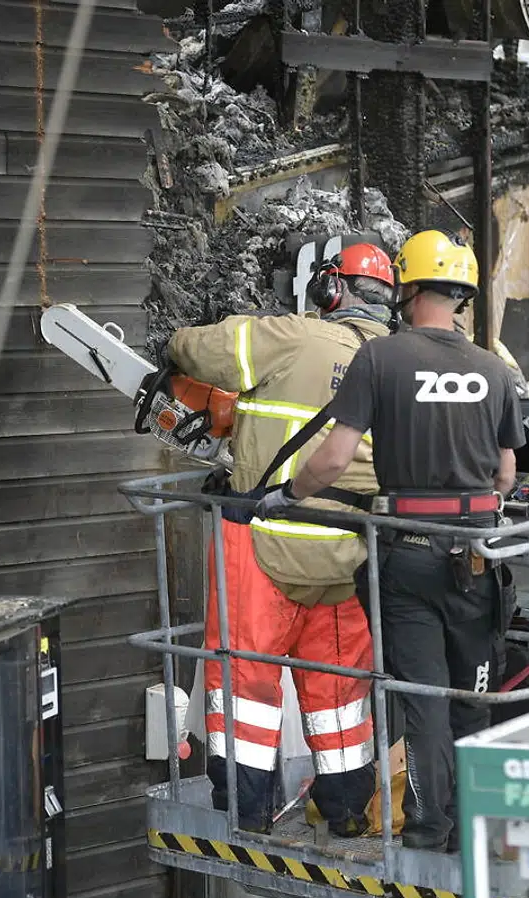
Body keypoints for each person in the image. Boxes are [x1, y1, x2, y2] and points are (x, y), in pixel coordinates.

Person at [257, 230, 523, 852]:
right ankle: (471, 828)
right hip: (480, 559)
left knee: (424, 699)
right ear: (462, 294)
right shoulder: (494, 369)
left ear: (407, 286)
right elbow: (507, 474)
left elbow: (332, 460)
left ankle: (428, 828)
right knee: (471, 700)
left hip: (406, 557)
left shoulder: (382, 359)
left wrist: (286, 496)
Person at [165, 242, 396, 837]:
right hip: (349, 552)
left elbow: (204, 348)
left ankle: (250, 813)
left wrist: (170, 341)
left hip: (263, 542)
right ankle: (347, 810)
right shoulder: (397, 361)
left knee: (245, 683)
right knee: (341, 692)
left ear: (331, 290)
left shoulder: (294, 336)